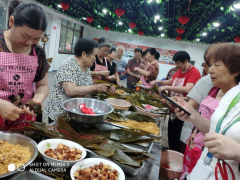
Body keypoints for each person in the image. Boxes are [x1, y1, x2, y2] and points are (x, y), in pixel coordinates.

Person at [175, 43, 240, 180]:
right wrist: (191, 114)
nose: (210, 70)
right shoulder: (222, 92)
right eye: (210, 65)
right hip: (201, 154)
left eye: (216, 65)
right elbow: (215, 131)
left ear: (236, 70)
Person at [0, 1, 49, 130]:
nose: (29, 43)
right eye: (25, 36)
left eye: (36, 39)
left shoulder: (38, 53)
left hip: (23, 120)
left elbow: (43, 85)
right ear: (11, 21)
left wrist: (38, 97)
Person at [44, 38, 112, 123]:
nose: (95, 59)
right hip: (61, 113)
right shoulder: (69, 65)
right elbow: (70, 91)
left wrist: (104, 88)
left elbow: (84, 84)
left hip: (75, 111)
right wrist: (95, 87)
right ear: (84, 54)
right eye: (94, 55)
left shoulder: (86, 67)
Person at [151, 51, 201, 153]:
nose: (177, 66)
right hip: (173, 107)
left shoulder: (194, 72)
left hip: (183, 109)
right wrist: (159, 82)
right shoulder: (180, 70)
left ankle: (176, 153)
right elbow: (170, 81)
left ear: (186, 61)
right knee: (171, 133)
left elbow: (187, 89)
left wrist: (166, 87)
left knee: (179, 136)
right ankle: (171, 150)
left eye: (178, 63)